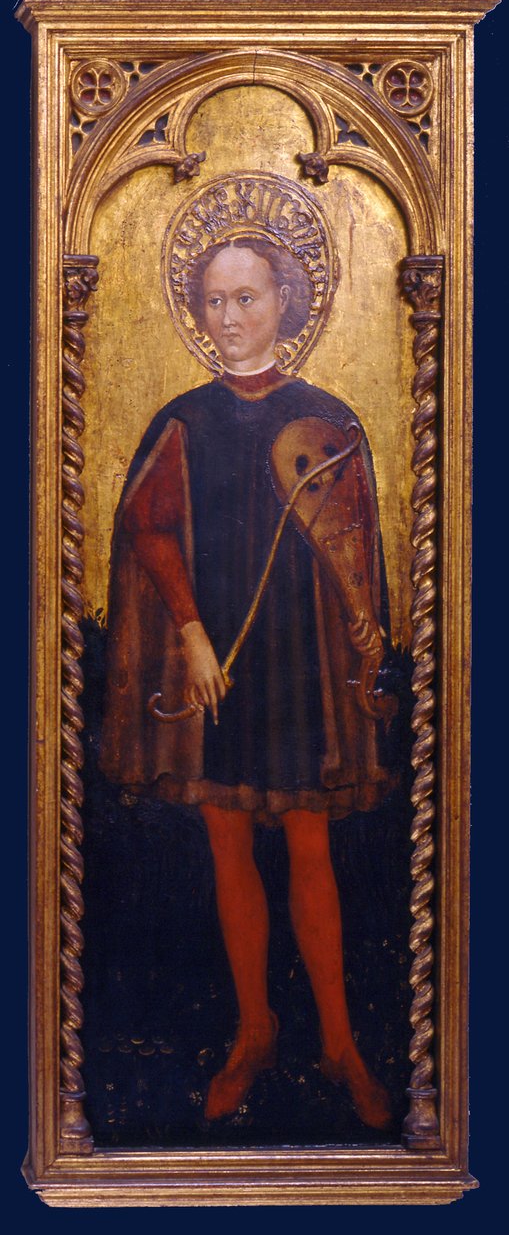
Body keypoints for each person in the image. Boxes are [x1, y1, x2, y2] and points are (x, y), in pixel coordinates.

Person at [100, 232, 395, 1129]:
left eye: (247, 298)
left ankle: (339, 1042)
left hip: (301, 665)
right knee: (228, 845)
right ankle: (254, 1030)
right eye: (215, 301)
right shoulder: (184, 420)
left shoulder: (327, 418)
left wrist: (363, 618)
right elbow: (147, 530)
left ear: (286, 305)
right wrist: (191, 636)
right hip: (217, 664)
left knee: (309, 847)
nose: (229, 318)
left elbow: (353, 544)